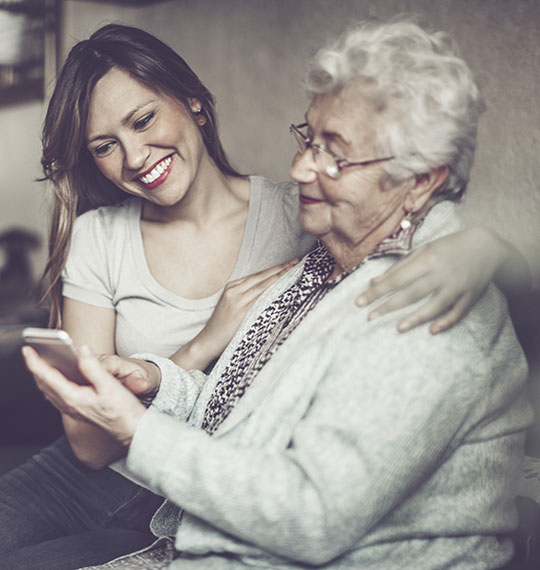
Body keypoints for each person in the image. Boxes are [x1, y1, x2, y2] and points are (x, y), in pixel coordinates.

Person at [23, 18, 532, 569]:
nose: (299, 167)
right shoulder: (322, 264)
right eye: (307, 139)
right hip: (200, 529)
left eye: (333, 153)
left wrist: (138, 429)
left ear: (423, 180)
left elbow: (310, 514)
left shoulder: (425, 302)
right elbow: (244, 405)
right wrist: (157, 379)